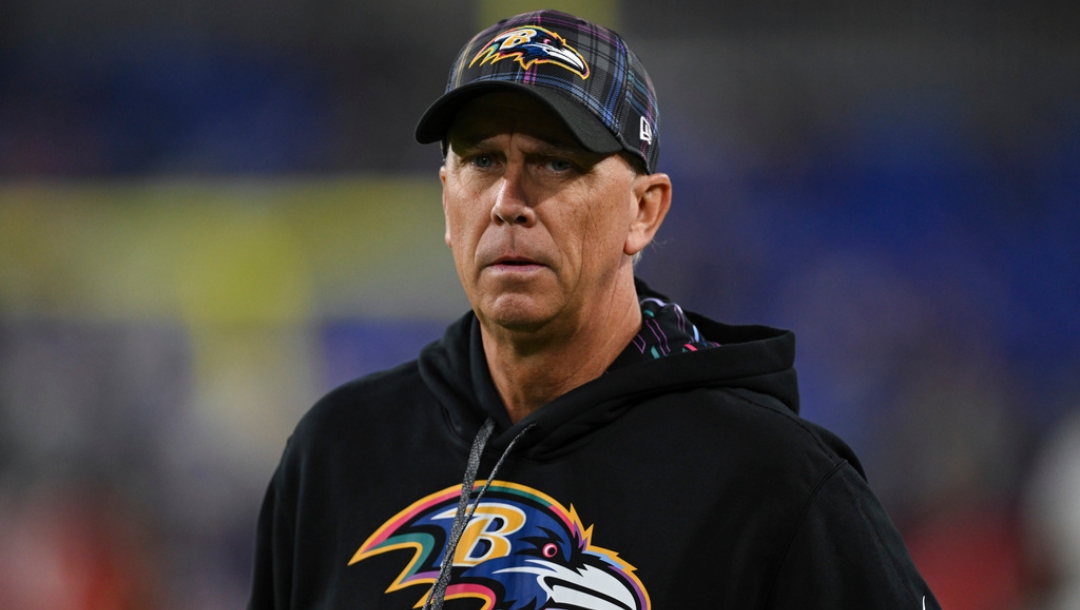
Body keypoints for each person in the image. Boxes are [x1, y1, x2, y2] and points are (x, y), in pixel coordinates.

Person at [247, 10, 939, 609]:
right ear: (446, 199)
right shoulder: (339, 454)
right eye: (482, 161)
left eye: (555, 162)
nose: (508, 202)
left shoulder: (773, 481)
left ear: (644, 212)